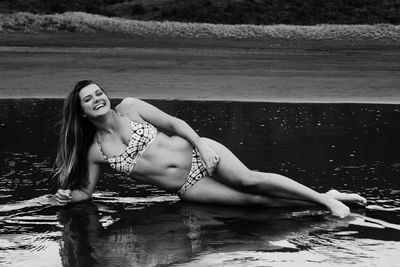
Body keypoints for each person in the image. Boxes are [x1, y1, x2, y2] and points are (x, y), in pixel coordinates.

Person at [52, 80, 367, 218]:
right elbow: (86, 193)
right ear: (81, 111)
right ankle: (327, 197)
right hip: (190, 187)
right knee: (253, 203)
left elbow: (175, 123)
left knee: (250, 180)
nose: (97, 99)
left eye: (98, 93)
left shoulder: (131, 108)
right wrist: (67, 197)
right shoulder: (94, 150)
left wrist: (201, 146)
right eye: (88, 99)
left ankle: (325, 202)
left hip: (197, 153)